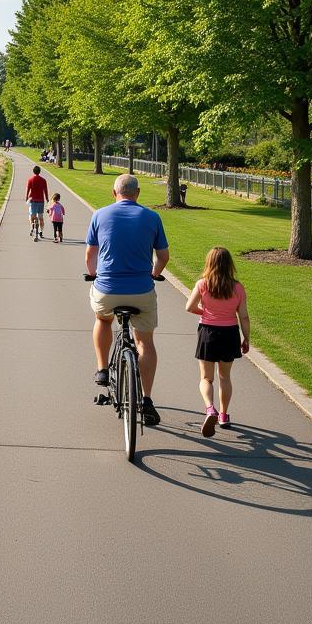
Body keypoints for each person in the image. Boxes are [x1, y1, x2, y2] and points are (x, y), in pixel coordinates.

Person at [85, 174, 170, 426]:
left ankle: (102, 369)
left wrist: (94, 274)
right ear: (138, 193)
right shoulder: (152, 217)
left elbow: (91, 254)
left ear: (114, 193)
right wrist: (154, 273)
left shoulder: (99, 215)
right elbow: (163, 257)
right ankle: (146, 399)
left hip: (108, 288)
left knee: (102, 318)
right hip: (141, 290)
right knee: (145, 342)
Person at [185, 247, 250, 435]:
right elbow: (244, 316)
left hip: (208, 332)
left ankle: (209, 409)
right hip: (230, 333)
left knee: (206, 378)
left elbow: (189, 307)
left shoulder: (202, 284)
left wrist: (204, 311)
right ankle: (223, 415)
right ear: (229, 264)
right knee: (225, 377)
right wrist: (246, 338)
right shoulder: (237, 287)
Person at [25, 164, 49, 241]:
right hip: (41, 201)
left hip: (33, 201)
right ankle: (41, 231)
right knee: (41, 217)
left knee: (32, 216)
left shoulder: (30, 180)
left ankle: (32, 226)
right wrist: (47, 198)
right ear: (39, 172)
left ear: (33, 171)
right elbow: (45, 190)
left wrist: (26, 198)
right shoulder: (43, 180)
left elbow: (28, 190)